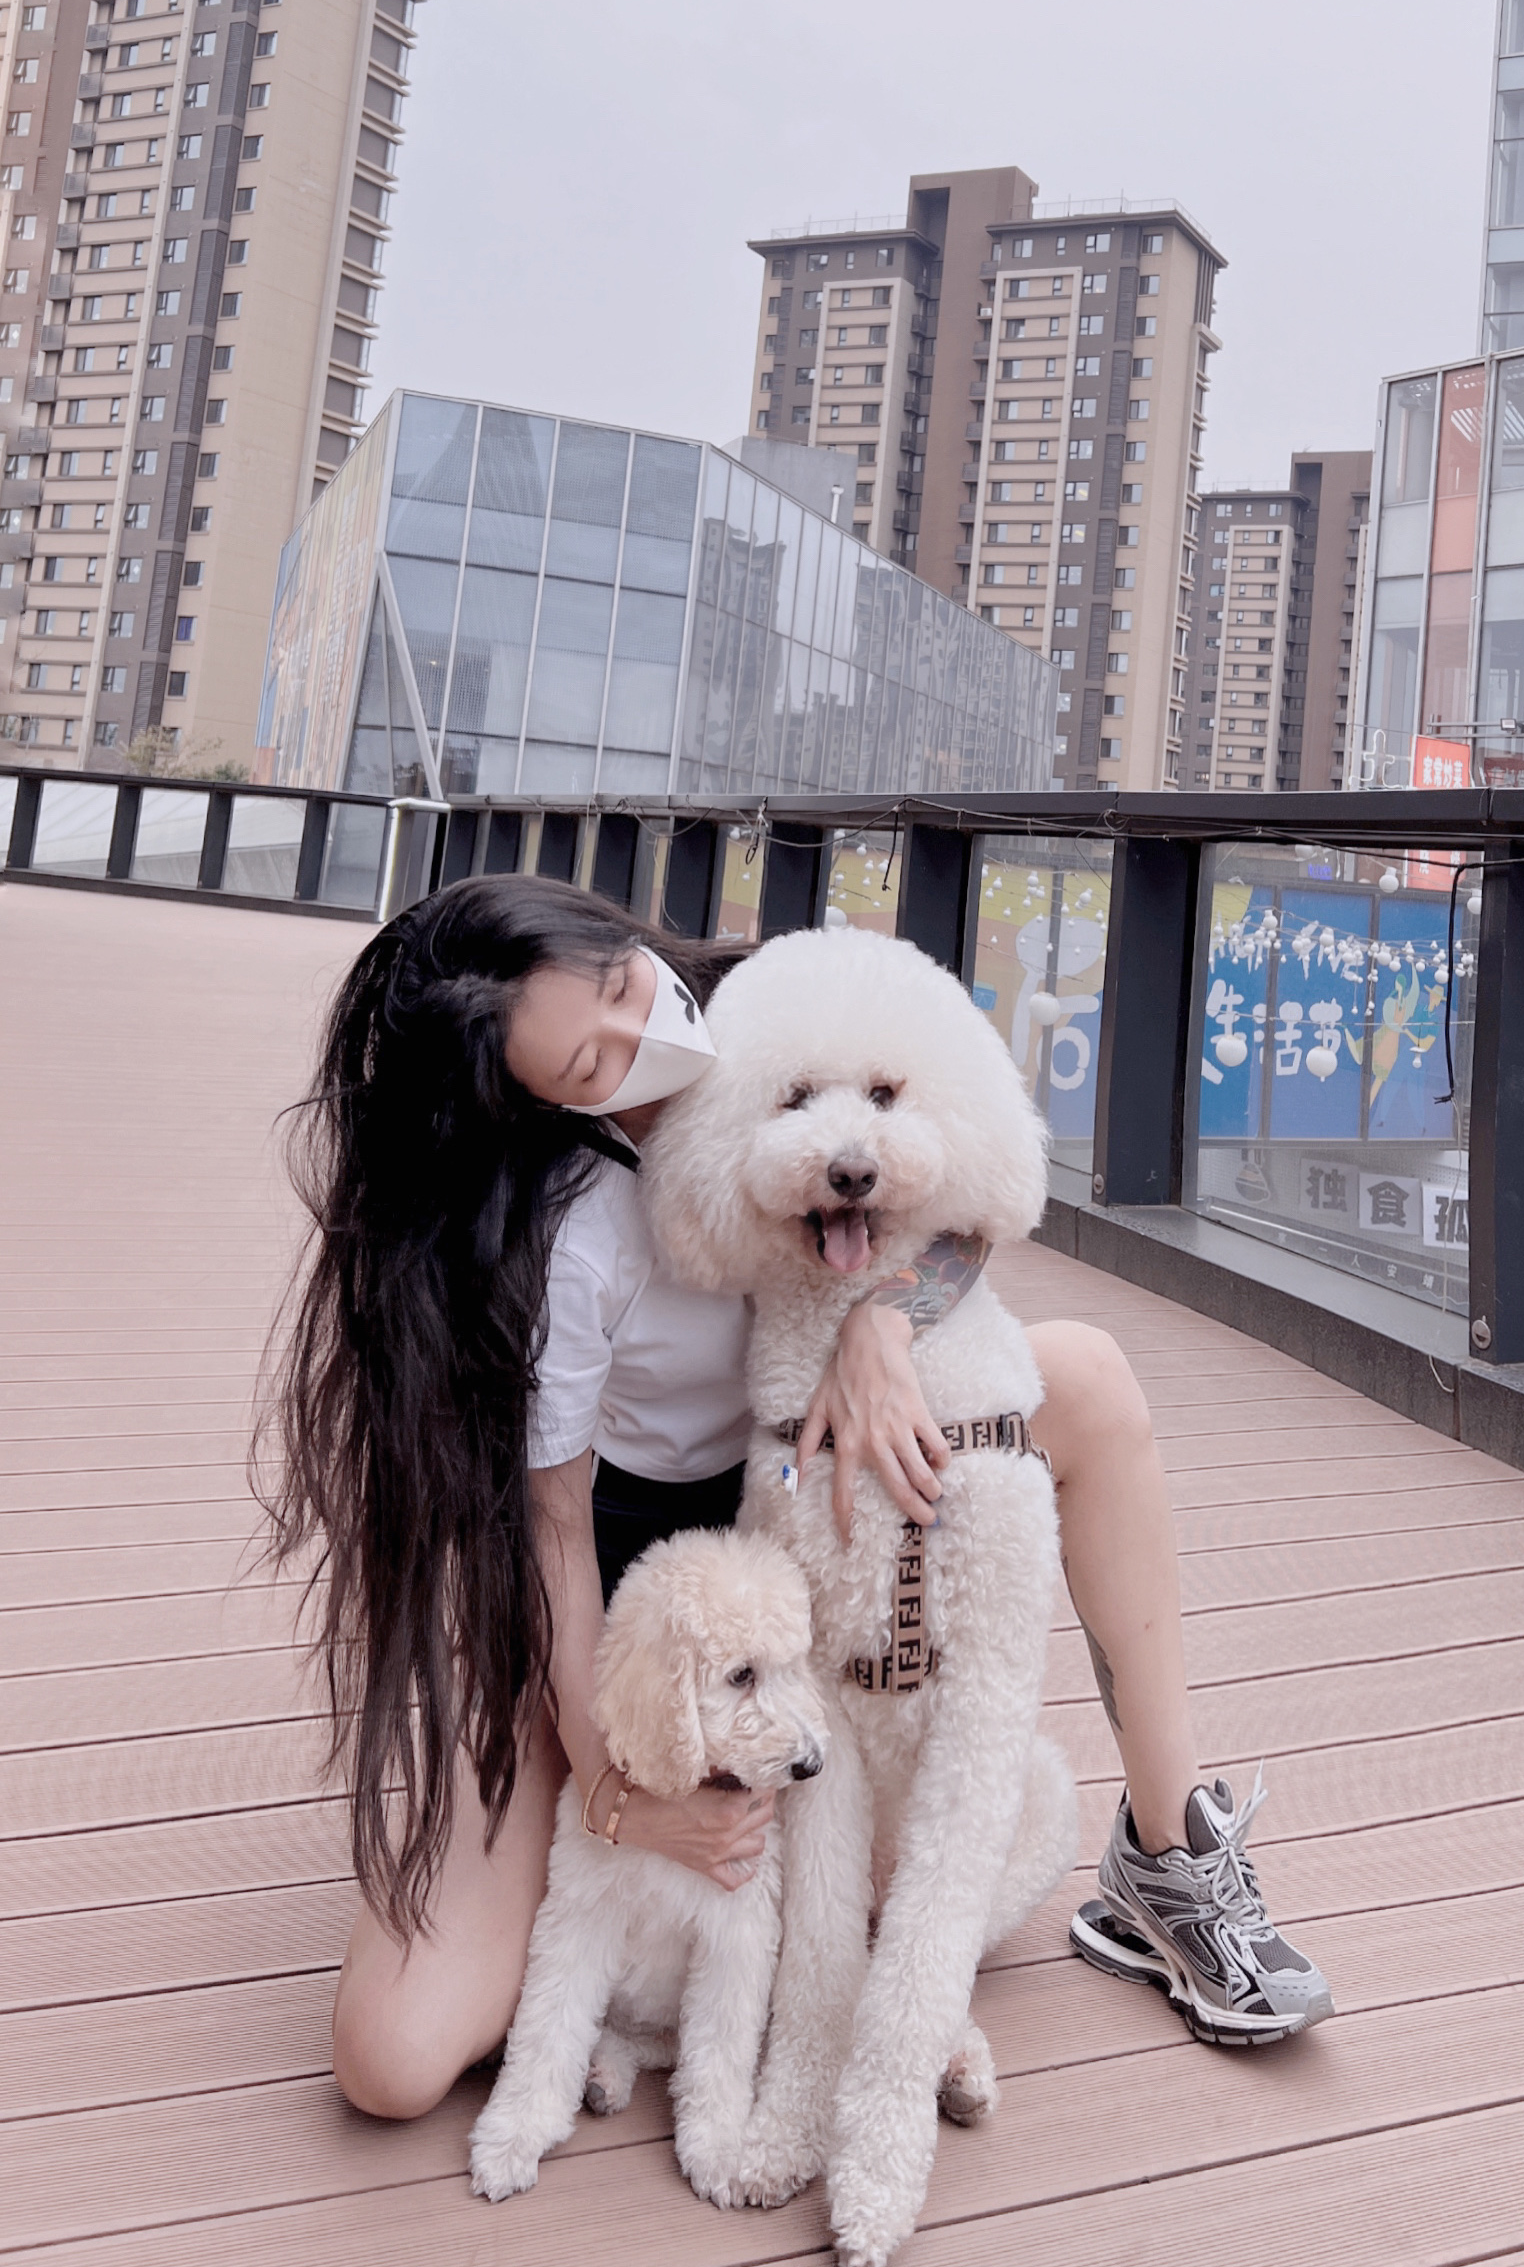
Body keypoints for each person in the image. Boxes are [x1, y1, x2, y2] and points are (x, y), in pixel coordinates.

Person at [263, 874, 1330, 2122]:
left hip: (807, 1481)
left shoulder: (779, 1000)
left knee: (1085, 1376)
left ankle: (1166, 1848)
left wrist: (891, 1315)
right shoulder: (549, 1232)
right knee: (392, 2057)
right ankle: (648, 1914)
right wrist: (621, 1791)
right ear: (535, 1103)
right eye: (591, 1061)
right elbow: (548, 1530)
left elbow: (972, 1173)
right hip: (624, 1580)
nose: (645, 1032)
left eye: (620, 984)